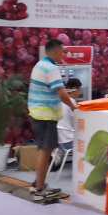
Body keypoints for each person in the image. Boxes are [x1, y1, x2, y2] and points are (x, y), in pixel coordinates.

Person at [28, 39, 76, 201]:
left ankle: (37, 183)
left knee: (43, 150)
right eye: (62, 51)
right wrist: (73, 106)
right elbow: (61, 94)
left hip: (37, 113)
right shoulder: (52, 68)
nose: (63, 54)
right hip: (46, 116)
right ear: (55, 52)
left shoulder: (39, 65)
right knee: (45, 151)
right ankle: (40, 191)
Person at [56, 77, 81, 156]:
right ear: (75, 89)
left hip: (59, 143)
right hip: (69, 142)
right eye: (79, 90)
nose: (79, 93)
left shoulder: (59, 100)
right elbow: (76, 123)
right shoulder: (71, 101)